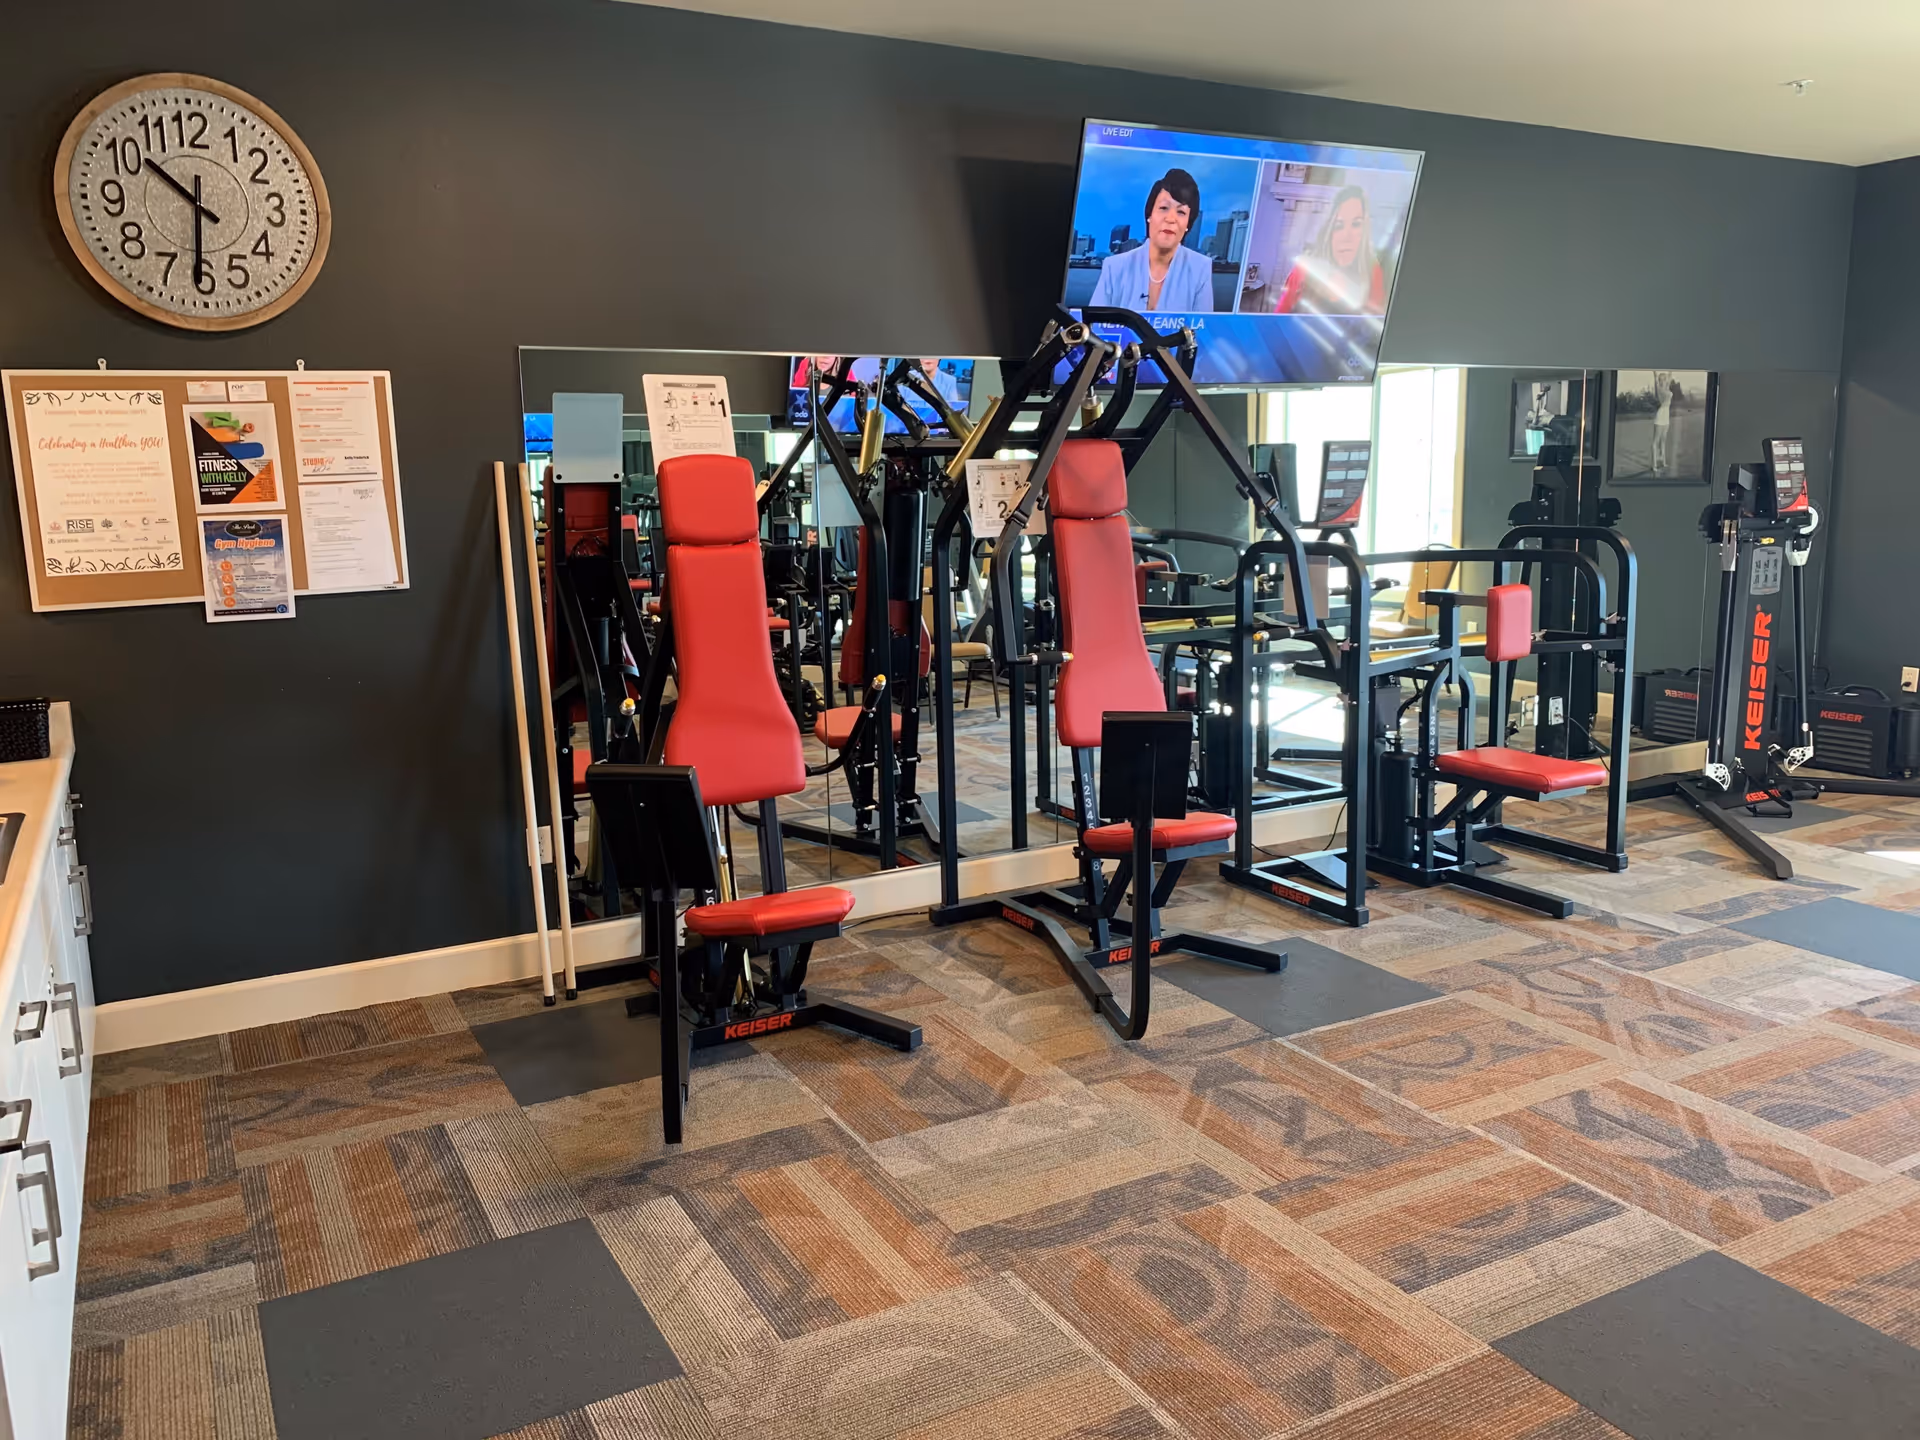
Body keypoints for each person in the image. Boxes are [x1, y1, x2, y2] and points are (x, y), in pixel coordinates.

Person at [1088, 169, 1215, 313]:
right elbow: (1094, 323)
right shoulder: (1114, 267)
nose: (1170, 219)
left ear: (1188, 223)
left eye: (1181, 212)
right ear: (1150, 215)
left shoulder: (1200, 268)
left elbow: (1203, 326)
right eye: (1164, 208)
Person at [1273, 184, 1387, 315]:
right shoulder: (1306, 267)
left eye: (1356, 224)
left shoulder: (1372, 270)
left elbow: (1378, 320)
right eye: (1339, 225)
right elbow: (1279, 317)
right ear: (1329, 230)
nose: (1347, 236)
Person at [1651, 371, 1673, 476]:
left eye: (1664, 379)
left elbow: (1670, 376)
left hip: (1666, 418)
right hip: (1660, 417)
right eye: (1661, 379)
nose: (1663, 381)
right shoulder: (1659, 390)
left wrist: (1670, 372)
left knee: (1663, 441)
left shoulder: (1667, 388)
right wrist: (1655, 374)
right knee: (1656, 442)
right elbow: (1655, 378)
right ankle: (1654, 464)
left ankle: (1663, 462)